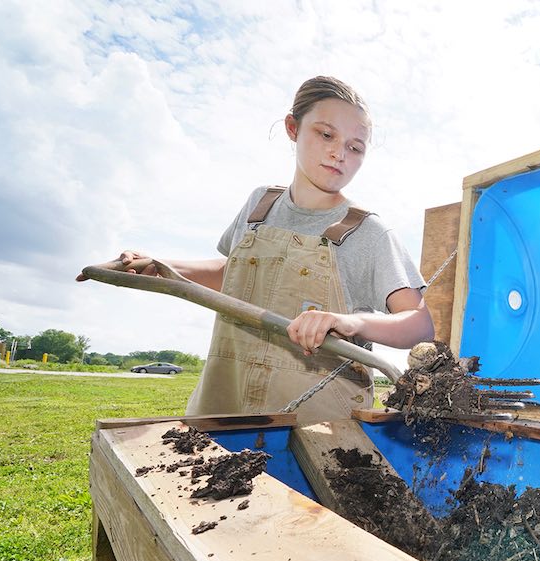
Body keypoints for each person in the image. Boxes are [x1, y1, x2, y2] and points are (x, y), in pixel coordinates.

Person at [80, 76, 433, 421]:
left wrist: (350, 321)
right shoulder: (259, 205)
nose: (339, 153)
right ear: (292, 128)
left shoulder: (367, 232)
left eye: (355, 147)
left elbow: (418, 324)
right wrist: (160, 265)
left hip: (313, 425)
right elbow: (232, 272)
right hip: (222, 403)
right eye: (326, 134)